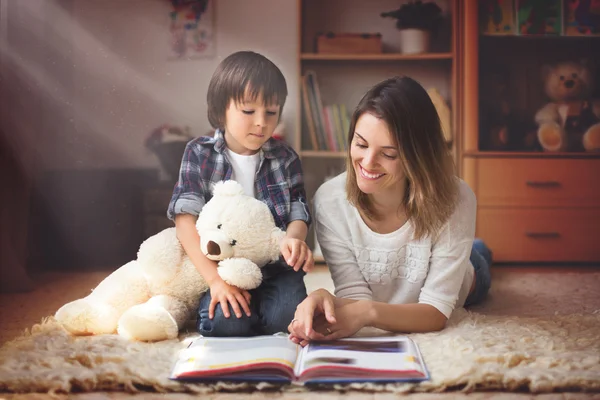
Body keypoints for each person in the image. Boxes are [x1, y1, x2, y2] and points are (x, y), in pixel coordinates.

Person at [288, 76, 492, 345]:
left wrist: (368, 312)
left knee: (478, 259)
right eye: (361, 144)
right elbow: (357, 297)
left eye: (389, 154)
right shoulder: (329, 200)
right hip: (394, 292)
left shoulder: (457, 198)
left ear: (417, 157)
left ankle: (477, 250)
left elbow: (436, 312)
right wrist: (323, 297)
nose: (368, 163)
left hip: (468, 277)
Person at [167, 51, 314, 337]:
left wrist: (294, 240)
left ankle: (261, 307)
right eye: (248, 112)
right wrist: (215, 281)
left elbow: (299, 210)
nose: (261, 122)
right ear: (222, 109)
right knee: (225, 323)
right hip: (226, 268)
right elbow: (184, 222)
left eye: (271, 112)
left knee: (285, 320)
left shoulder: (285, 158)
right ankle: (239, 306)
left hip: (276, 267)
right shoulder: (199, 153)